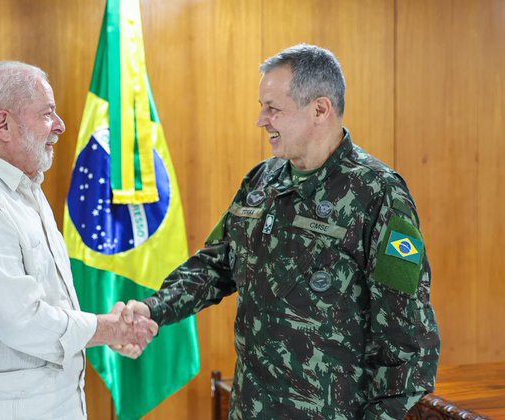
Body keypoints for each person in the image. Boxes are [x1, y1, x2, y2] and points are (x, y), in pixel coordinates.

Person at [122, 44, 441, 419]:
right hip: (251, 408)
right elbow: (217, 264)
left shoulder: (378, 193)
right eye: (262, 106)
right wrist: (152, 309)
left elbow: (409, 341)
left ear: (320, 109)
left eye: (273, 108)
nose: (261, 119)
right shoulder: (261, 180)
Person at [0, 61, 156, 420]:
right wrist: (107, 328)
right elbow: (22, 322)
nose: (60, 126)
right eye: (47, 114)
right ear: (3, 124)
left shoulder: (22, 187)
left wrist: (103, 331)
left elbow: (51, 299)